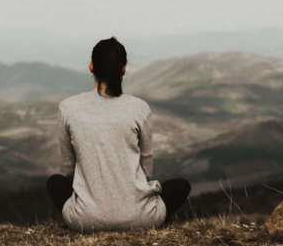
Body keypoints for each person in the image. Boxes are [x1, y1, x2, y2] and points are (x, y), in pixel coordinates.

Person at [46, 36, 191, 232]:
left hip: (85, 220)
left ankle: (92, 214)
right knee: (180, 185)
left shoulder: (68, 108)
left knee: (55, 182)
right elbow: (146, 170)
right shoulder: (139, 108)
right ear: (124, 69)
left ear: (91, 67)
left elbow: (69, 169)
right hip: (142, 218)